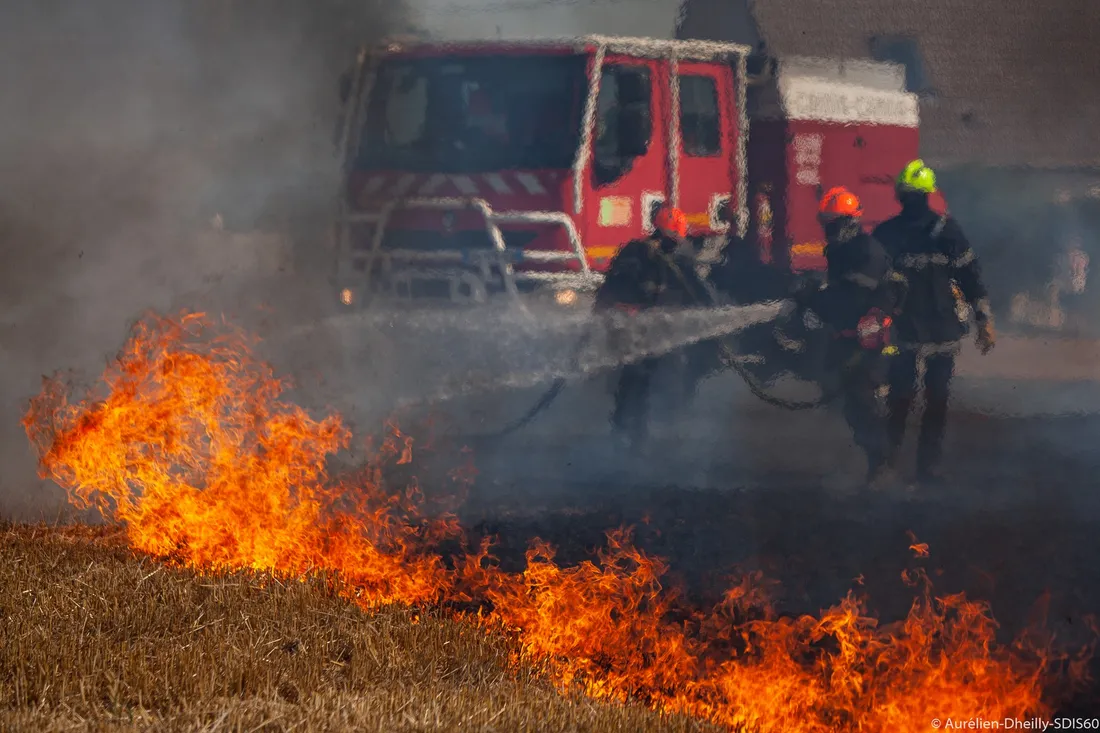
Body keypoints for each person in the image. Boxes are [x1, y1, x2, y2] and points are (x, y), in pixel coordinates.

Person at [872, 160, 996, 484]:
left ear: (900, 195)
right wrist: (984, 320)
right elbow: (972, 279)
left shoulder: (888, 233)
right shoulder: (943, 230)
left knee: (907, 398)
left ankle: (894, 464)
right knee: (927, 399)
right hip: (932, 328)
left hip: (912, 328)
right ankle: (917, 467)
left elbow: (971, 278)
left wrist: (984, 319)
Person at [806, 186, 905, 486]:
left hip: (872, 343)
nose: (828, 230)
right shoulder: (842, 251)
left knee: (863, 401)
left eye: (833, 224)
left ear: (849, 222)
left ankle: (883, 466)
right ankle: (876, 462)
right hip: (853, 340)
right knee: (852, 404)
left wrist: (813, 298)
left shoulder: (865, 251)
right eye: (826, 224)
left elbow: (849, 297)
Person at [594, 204, 706, 449]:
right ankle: (630, 434)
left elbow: (693, 292)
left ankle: (649, 432)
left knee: (659, 378)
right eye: (672, 240)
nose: (674, 246)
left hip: (658, 331)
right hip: (632, 329)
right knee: (636, 378)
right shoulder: (636, 255)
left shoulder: (675, 262)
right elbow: (614, 289)